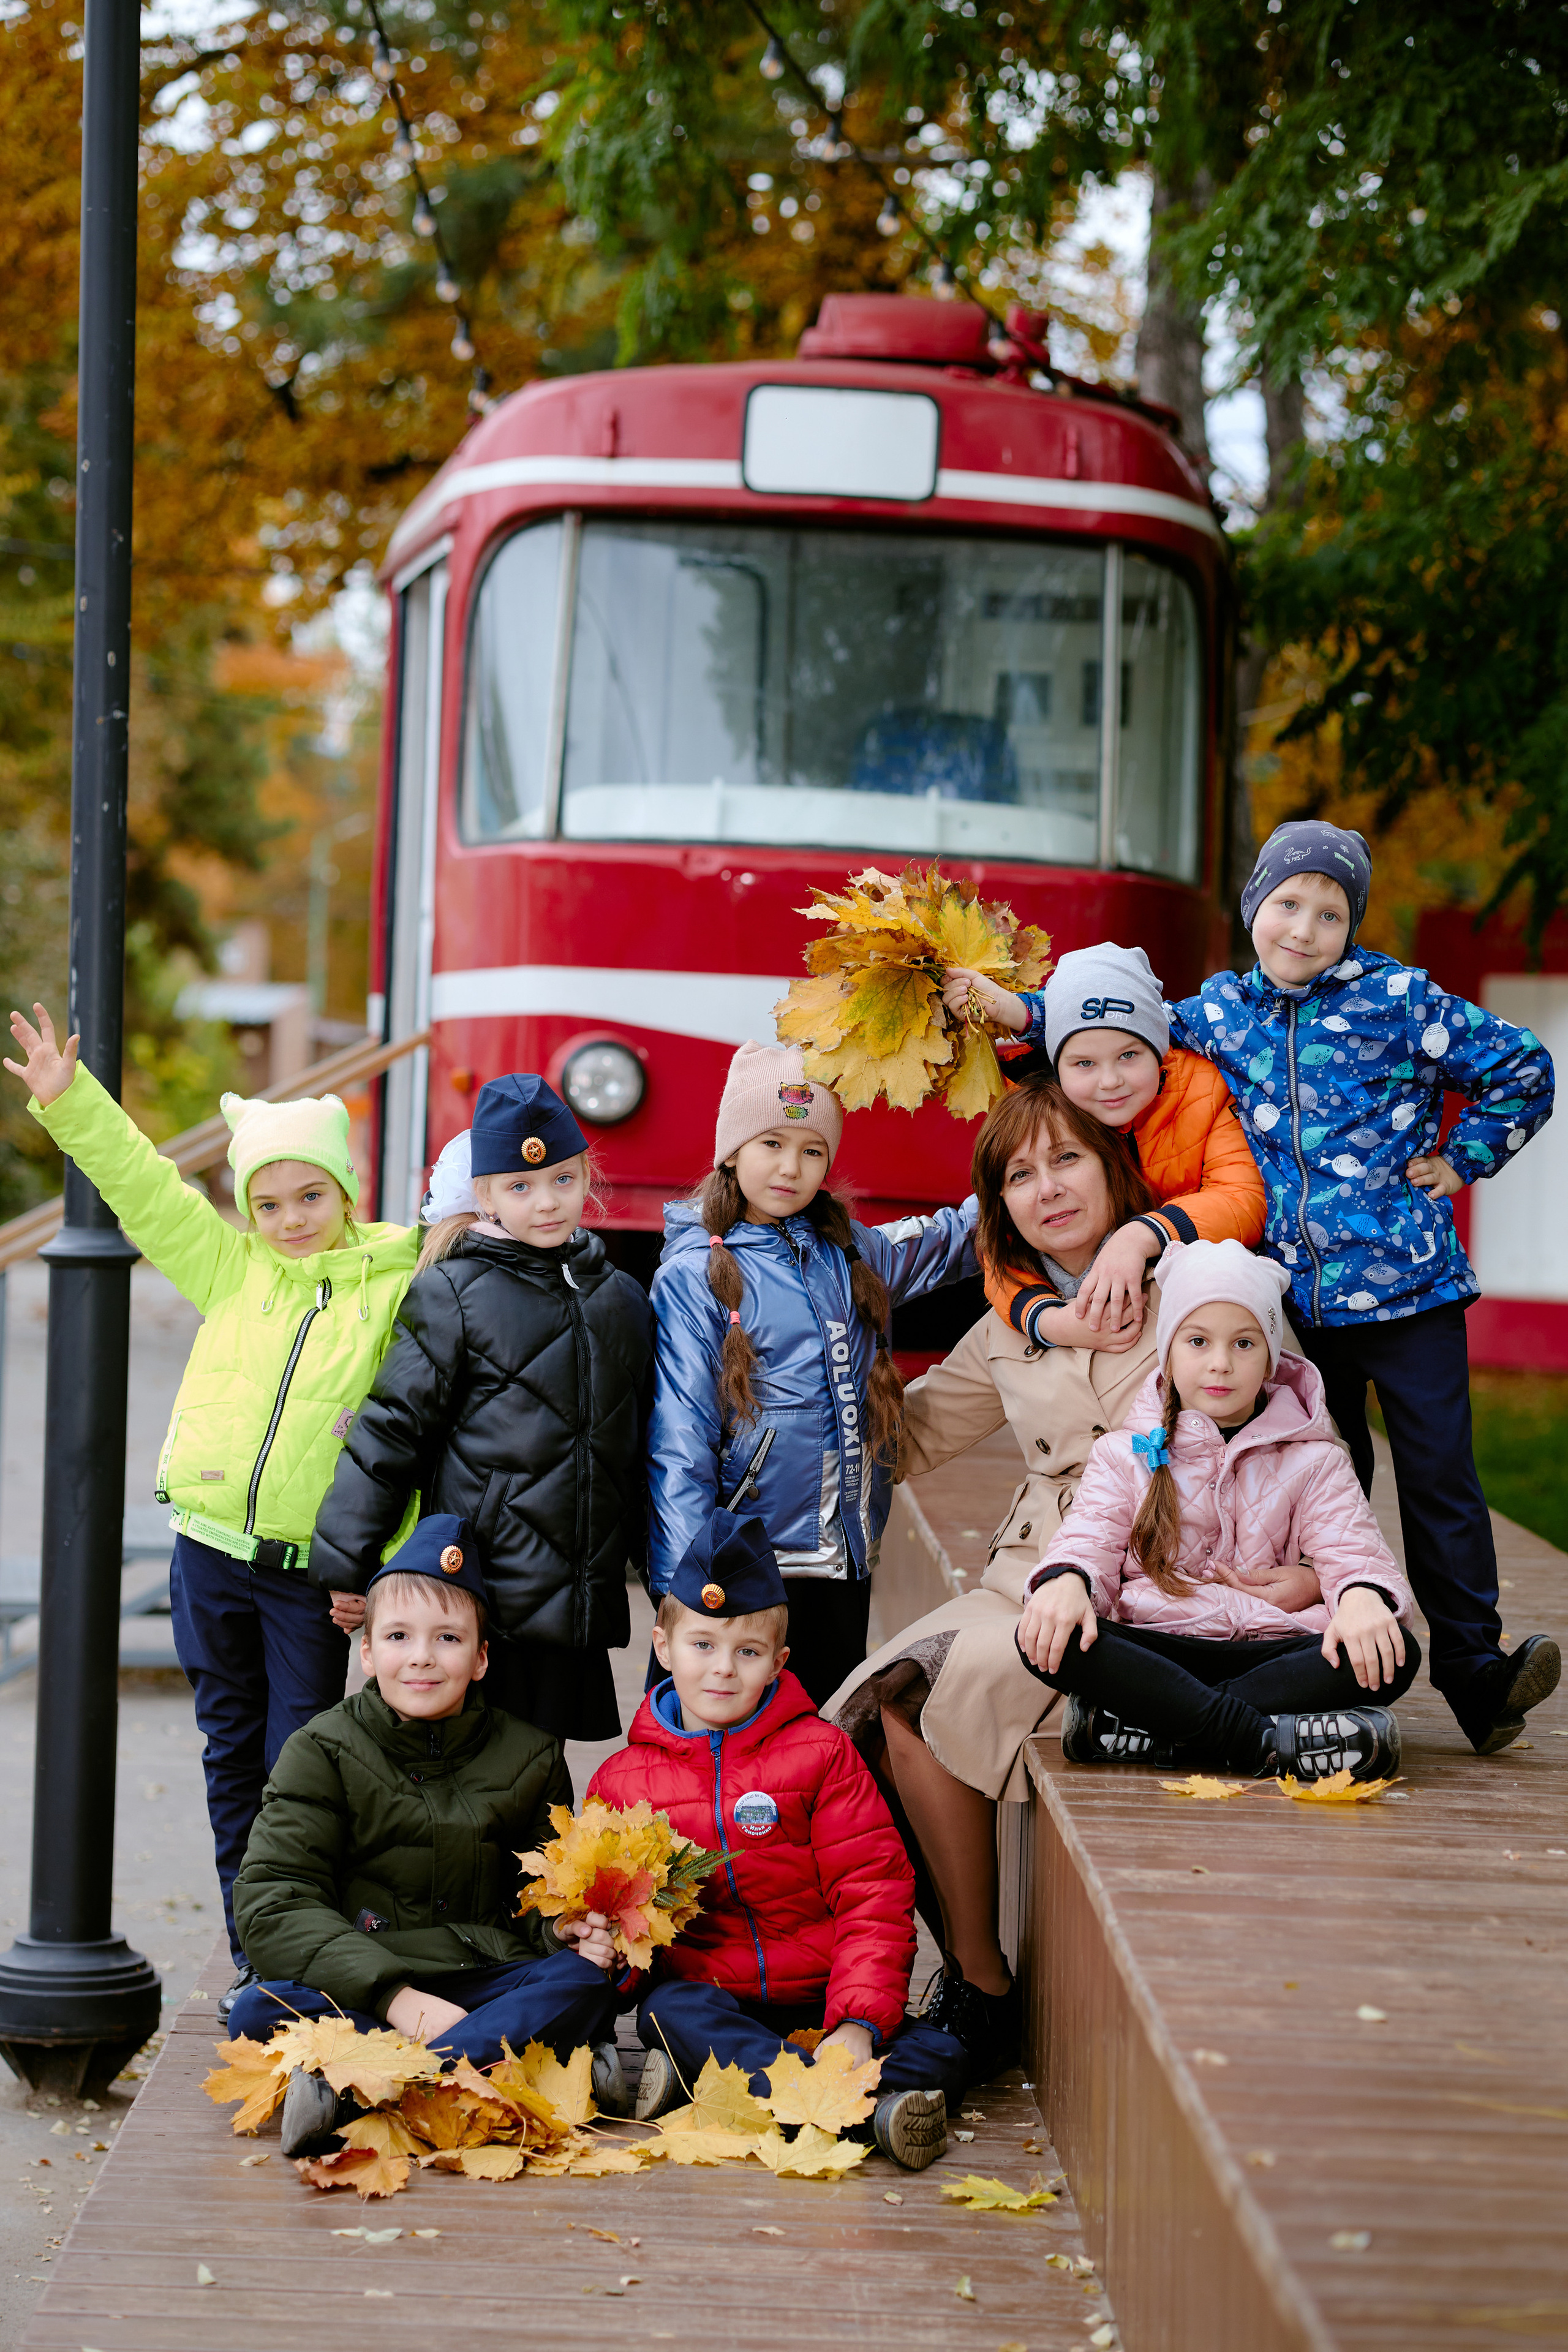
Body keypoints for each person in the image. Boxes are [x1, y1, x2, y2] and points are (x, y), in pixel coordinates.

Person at [4, 1002, 420, 2015]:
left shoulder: (393, 1284)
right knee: (229, 1755)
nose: (288, 1219)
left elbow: (409, 1443)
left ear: (346, 1190)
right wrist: (70, 1103)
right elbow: (149, 1192)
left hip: (309, 1582)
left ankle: (308, 1943)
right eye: (267, 1202)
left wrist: (378, 1569)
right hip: (206, 1558)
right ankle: (257, 1944)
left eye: (308, 1196)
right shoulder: (232, 1272)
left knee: (302, 1766)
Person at [1167, 818, 1561, 1755]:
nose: (1304, 929)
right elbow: (1110, 1028)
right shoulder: (1216, 1013)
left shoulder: (1400, 999)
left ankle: (1477, 1675)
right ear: (1253, 905)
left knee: (1440, 1482)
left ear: (1354, 927)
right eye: (1288, 905)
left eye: (1330, 914)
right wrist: (1009, 1012)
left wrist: (1462, 1160)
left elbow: (1523, 1068)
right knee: (1318, 1479)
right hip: (1292, 1308)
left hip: (1412, 1293)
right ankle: (1320, 1657)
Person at [826, 1079, 1164, 2084]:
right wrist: (840, 1353)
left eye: (1067, 1159)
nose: (1046, 1188)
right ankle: (974, 1977)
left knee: (923, 1686)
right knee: (849, 1727)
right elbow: (909, 1438)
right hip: (1025, 1576)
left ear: (1116, 1167)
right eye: (1019, 1175)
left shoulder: (1194, 1286)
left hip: (1146, 1575)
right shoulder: (1016, 1320)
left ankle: (979, 1993)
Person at [581, 1509, 969, 2169]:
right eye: (701, 1645)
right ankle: (859, 2112)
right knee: (666, 2017)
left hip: (823, 1996)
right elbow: (624, 1934)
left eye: (748, 1652)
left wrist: (855, 2024)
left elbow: (872, 1893)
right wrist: (603, 1951)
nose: (723, 1670)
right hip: (715, 1999)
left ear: (778, 1662)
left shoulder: (822, 1756)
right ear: (662, 1647)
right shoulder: (623, 1782)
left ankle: (746, 2093)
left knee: (944, 2050)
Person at [228, 1515, 623, 2157]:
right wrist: (396, 1997)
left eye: (447, 1638)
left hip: (481, 1973)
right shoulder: (322, 1749)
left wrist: (560, 1930)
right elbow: (273, 1901)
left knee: (582, 1982)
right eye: (398, 1636)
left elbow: (530, 1898)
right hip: (362, 1973)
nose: (421, 1656)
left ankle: (368, 2083)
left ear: (481, 1656)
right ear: (366, 1651)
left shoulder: (531, 1756)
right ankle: (483, 2072)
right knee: (260, 2008)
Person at [308, 1073, 654, 1743]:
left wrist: (664, 1578)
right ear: (487, 1196)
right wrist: (347, 1563)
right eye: (520, 1187)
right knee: (467, 1786)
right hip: (477, 1595)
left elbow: (638, 1454)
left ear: (588, 1179)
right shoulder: (454, 1293)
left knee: (545, 1797)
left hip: (575, 1602)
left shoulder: (622, 1301)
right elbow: (389, 1433)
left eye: (562, 1180)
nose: (546, 1203)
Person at [647, 1039, 978, 1706]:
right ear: (731, 1153)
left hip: (841, 1561)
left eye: (811, 1151)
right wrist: (689, 1582)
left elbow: (956, 1237)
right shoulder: (693, 1275)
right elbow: (679, 1438)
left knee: (820, 1743)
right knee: (718, 1742)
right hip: (741, 1568)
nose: (789, 1168)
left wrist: (1035, 1163)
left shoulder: (852, 1255)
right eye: (770, 1143)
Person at [1014, 1238, 1418, 1779]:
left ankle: (1158, 1728)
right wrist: (1067, 1581)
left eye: (1245, 1343)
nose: (1221, 1364)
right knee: (1053, 1638)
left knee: (1396, 1653)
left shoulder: (1315, 1459)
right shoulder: (1124, 1453)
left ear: (1272, 1355)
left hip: (1270, 1649)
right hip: (1158, 1648)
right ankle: (1263, 1742)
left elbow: (1355, 1551)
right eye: (1199, 1341)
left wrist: (1363, 1596)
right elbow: (1088, 1539)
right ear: (1170, 1350)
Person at [943, 941, 1265, 1349]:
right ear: (1058, 1065)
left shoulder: (1204, 1090)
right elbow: (1000, 1236)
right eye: (1085, 1064)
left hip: (1186, 1290)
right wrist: (1049, 1322)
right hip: (1075, 1300)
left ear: (1158, 1047)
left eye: (1129, 1055)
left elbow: (1243, 1198)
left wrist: (1141, 1235)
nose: (1110, 1081)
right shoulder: (1046, 1107)